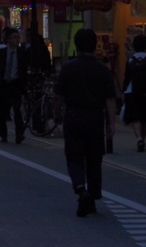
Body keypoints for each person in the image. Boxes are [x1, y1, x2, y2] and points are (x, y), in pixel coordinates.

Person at [52, 28, 116, 218]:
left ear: (76, 45)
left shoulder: (69, 68)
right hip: (95, 117)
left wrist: (56, 114)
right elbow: (110, 99)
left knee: (74, 156)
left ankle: (80, 188)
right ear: (95, 45)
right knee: (94, 158)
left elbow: (57, 95)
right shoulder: (103, 71)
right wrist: (111, 123)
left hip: (74, 116)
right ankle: (93, 195)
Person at [0, 27, 27, 144]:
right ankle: (3, 134)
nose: (17, 39)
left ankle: (19, 134)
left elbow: (25, 69)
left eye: (18, 37)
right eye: (14, 37)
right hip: (3, 84)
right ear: (8, 40)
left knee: (17, 110)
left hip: (16, 84)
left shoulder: (22, 53)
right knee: (2, 111)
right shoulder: (1, 53)